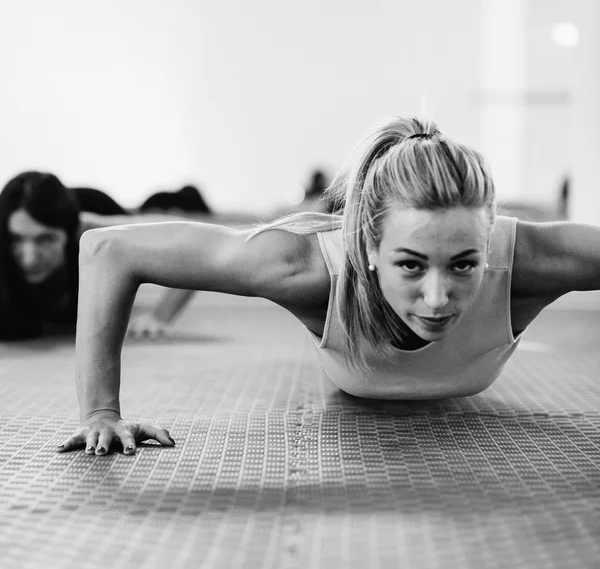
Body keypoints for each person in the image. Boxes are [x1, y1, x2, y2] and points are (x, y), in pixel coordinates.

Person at [57, 115, 600, 456]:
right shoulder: (308, 269)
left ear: (488, 246)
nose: (437, 299)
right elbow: (109, 249)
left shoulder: (528, 261)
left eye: (464, 266)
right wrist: (100, 412)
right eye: (410, 265)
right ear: (367, 247)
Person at [0, 171, 195, 341]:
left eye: (46, 239)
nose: (30, 259)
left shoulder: (88, 230)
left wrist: (160, 316)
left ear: (68, 233)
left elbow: (188, 240)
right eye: (17, 239)